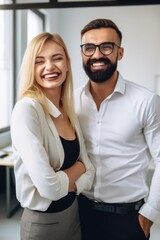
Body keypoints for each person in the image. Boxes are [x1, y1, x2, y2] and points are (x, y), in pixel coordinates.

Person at [74, 18, 160, 240]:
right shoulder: (71, 102)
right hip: (79, 214)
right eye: (89, 47)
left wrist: (150, 213)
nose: (96, 54)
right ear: (82, 53)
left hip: (128, 220)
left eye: (106, 46)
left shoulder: (146, 101)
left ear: (119, 53)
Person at [10, 32, 95, 240]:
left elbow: (91, 171)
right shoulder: (27, 110)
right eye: (39, 61)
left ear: (67, 63)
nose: (49, 67)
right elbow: (50, 188)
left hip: (73, 215)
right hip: (43, 224)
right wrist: (79, 168)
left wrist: (74, 180)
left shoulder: (69, 112)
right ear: (32, 68)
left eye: (57, 58)